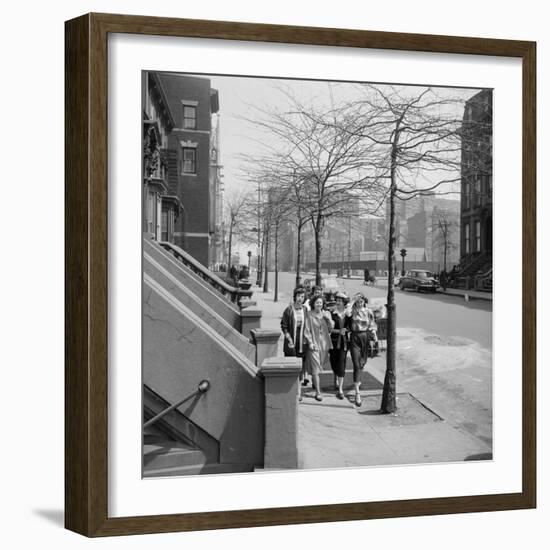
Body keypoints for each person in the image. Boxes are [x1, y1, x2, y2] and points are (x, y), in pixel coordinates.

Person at [304, 295, 334, 401]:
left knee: (319, 367)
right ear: (313, 303)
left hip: (324, 344)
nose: (319, 304)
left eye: (320, 303)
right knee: (316, 369)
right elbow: (307, 330)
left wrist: (328, 319)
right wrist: (310, 343)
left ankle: (314, 381)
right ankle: (318, 392)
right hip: (314, 345)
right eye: (317, 302)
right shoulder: (309, 315)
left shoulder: (326, 314)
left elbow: (331, 328)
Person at [280, 287, 308, 400]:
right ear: (294, 297)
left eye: (302, 296)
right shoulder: (288, 310)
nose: (300, 299)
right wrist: (288, 338)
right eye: (298, 296)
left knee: (300, 367)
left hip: (302, 342)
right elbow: (284, 326)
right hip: (291, 341)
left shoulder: (305, 310)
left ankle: (299, 391)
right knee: (291, 365)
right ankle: (291, 390)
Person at [347, 293, 374, 406]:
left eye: (361, 301)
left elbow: (372, 324)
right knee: (356, 364)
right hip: (355, 337)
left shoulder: (368, 311)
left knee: (362, 362)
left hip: (365, 337)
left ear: (364, 301)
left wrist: (374, 334)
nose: (359, 303)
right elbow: (347, 313)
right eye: (358, 301)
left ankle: (357, 380)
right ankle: (357, 392)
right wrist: (352, 301)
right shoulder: (352, 311)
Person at [329, 292, 350, 399]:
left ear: (344, 303)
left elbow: (351, 326)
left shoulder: (348, 315)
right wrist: (338, 331)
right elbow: (329, 329)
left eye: (340, 301)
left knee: (341, 363)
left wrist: (347, 330)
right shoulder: (332, 314)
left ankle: (340, 389)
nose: (337, 303)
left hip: (344, 343)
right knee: (333, 362)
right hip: (333, 342)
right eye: (337, 301)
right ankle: (335, 378)